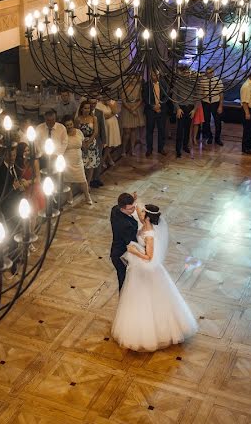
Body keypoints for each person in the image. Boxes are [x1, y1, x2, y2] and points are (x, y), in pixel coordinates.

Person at [111, 204, 198, 351]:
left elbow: (149, 257)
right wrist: (134, 201)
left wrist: (133, 250)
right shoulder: (144, 225)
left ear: (147, 216)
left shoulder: (150, 233)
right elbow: (137, 210)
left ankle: (154, 332)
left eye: (143, 212)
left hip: (147, 269)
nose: (140, 213)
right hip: (139, 268)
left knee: (148, 299)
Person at [109, 193, 139, 291]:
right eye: (130, 209)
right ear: (122, 209)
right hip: (121, 256)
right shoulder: (126, 225)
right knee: (124, 280)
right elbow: (132, 244)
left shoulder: (115, 210)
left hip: (116, 247)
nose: (133, 210)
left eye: (133, 207)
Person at [62, 116, 92, 205]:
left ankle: (87, 196)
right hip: (67, 161)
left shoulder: (79, 132)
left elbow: (83, 145)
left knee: (83, 180)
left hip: (78, 161)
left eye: (70, 124)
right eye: (67, 125)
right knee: (67, 181)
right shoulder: (62, 135)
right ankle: (69, 197)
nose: (69, 126)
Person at [173, 66, 197, 158]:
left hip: (190, 109)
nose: (187, 74)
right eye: (185, 73)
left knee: (187, 129)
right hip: (181, 109)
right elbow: (174, 98)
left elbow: (198, 97)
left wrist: (195, 109)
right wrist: (178, 108)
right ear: (182, 73)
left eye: (188, 72)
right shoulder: (178, 83)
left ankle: (185, 146)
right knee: (179, 130)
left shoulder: (193, 83)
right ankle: (178, 149)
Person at [142, 71, 167, 157]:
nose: (155, 76)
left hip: (161, 110)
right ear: (150, 75)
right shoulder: (146, 85)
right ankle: (149, 149)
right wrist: (153, 107)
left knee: (161, 130)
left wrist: (160, 105)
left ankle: (161, 148)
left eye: (157, 75)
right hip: (150, 111)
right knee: (149, 130)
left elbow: (166, 96)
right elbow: (145, 97)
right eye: (154, 75)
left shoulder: (163, 84)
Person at [121, 75, 145, 156]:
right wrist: (130, 109)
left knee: (134, 130)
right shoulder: (124, 87)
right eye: (131, 78)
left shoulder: (138, 87)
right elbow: (123, 100)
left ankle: (133, 149)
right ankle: (124, 149)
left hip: (136, 109)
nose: (133, 80)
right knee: (126, 131)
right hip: (127, 110)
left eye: (134, 78)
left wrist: (134, 108)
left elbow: (141, 99)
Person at [200, 66, 224, 146]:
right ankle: (209, 137)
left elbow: (221, 94)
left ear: (213, 72)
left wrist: (220, 106)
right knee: (206, 121)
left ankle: (217, 138)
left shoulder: (218, 81)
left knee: (217, 121)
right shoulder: (203, 81)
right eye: (207, 73)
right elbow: (201, 92)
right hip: (206, 103)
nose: (209, 74)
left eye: (210, 72)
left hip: (215, 103)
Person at [95, 97, 121, 168]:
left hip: (113, 125)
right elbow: (101, 116)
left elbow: (116, 112)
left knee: (110, 144)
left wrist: (109, 104)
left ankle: (105, 159)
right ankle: (105, 160)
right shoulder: (98, 104)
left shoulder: (112, 102)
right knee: (106, 144)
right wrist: (111, 115)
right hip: (104, 125)